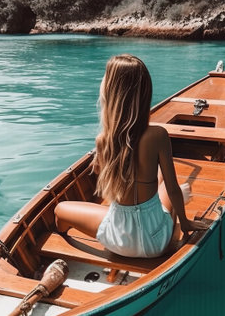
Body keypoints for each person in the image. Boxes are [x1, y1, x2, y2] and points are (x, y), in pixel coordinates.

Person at [54, 54, 208, 258]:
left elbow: (105, 184)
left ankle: (57, 245)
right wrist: (185, 222)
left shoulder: (103, 141)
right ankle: (177, 205)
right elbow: (171, 188)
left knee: (60, 209)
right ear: (144, 94)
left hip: (116, 239)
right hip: (156, 241)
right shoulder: (158, 135)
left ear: (110, 92)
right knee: (166, 183)